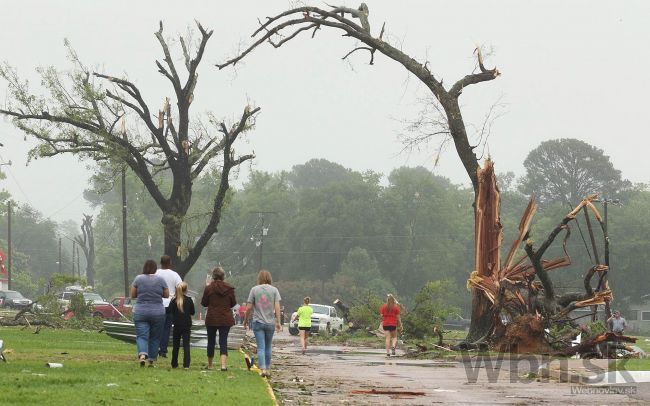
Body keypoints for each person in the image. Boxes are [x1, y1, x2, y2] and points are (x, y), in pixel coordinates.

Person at [244, 270, 282, 378]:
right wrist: (278, 322)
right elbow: (277, 307)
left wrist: (246, 320)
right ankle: (268, 368)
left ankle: (263, 369)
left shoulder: (254, 289)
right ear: (269, 278)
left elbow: (249, 307)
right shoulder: (274, 290)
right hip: (270, 323)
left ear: (259, 278)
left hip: (258, 322)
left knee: (261, 347)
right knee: (268, 346)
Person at [131, 259, 169, 367]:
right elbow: (166, 295)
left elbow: (133, 294)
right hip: (158, 312)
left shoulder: (138, 278)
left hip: (141, 311)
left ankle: (142, 355)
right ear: (155, 268)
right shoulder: (161, 279)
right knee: (155, 337)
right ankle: (151, 360)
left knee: (142, 336)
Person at [201, 266, 236, 371]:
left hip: (212, 317)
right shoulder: (229, 288)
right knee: (223, 341)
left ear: (213, 276)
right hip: (225, 317)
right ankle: (223, 365)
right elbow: (233, 303)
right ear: (223, 276)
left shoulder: (209, 288)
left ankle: (210, 365)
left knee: (210, 341)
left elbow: (204, 303)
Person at [155, 255, 182, 358]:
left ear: (160, 263)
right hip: (170, 304)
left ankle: (154, 347)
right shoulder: (175, 275)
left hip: (157, 303)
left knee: (156, 327)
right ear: (170, 263)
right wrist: (176, 297)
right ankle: (163, 350)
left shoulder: (156, 273)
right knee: (166, 328)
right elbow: (180, 288)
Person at [169, 281, 195, 369]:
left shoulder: (174, 301)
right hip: (187, 325)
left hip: (177, 325)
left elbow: (169, 311)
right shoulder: (189, 300)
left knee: (176, 345)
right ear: (186, 290)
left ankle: (174, 363)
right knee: (186, 345)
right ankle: (186, 364)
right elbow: (192, 312)